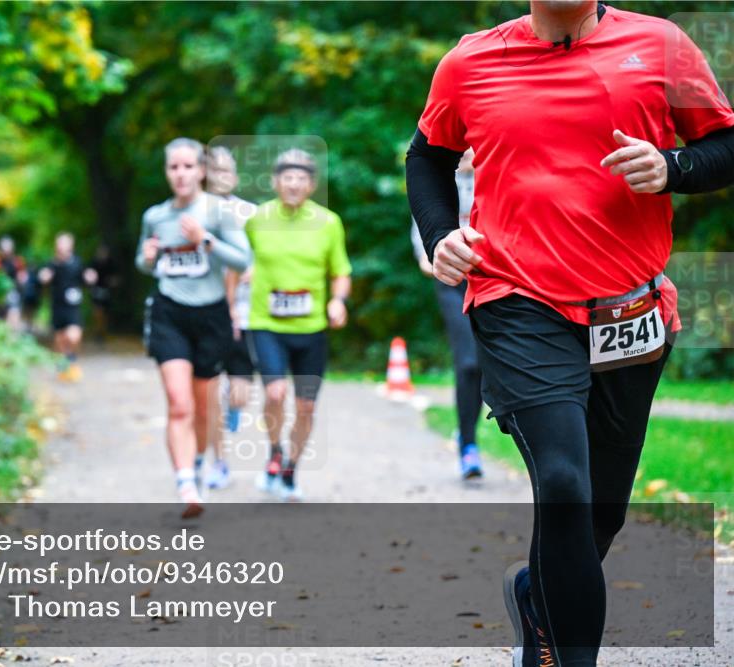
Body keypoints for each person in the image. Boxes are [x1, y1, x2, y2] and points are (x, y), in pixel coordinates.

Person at [407, 1, 734, 665]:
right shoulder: (471, 60)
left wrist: (674, 168)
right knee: (561, 481)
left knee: (598, 512)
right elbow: (427, 158)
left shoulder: (662, 46)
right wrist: (442, 235)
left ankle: (537, 595)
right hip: (515, 296)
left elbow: (724, 145)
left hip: (629, 307)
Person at [136, 138, 252, 519]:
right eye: (174, 168)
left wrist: (203, 240)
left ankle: (198, 461)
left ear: (201, 171)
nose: (181, 174)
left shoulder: (218, 211)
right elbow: (145, 261)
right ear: (167, 173)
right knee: (179, 402)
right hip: (169, 313)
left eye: (188, 167)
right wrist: (149, 258)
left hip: (211, 316)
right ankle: (186, 481)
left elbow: (242, 258)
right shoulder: (155, 216)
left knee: (203, 409)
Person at [246, 148, 352, 502]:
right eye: (287, 178)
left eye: (301, 178)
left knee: (306, 407)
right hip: (266, 323)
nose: (293, 184)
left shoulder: (328, 223)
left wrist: (338, 301)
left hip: (311, 328)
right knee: (275, 393)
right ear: (276, 182)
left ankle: (290, 468)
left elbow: (341, 273)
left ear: (311, 184)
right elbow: (237, 262)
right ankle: (275, 450)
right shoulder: (256, 219)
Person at [411, 147, 484, 479]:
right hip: (452, 280)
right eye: (464, 148)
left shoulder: (494, 177)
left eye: (475, 148)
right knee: (468, 362)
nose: (469, 155)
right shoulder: (442, 179)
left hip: (493, 279)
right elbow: (423, 221)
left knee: (487, 362)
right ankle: (468, 446)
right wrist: (429, 256)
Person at [205, 145, 259, 490]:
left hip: (245, 310)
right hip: (207, 310)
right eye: (217, 170)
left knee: (239, 391)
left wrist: (255, 269)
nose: (223, 176)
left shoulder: (251, 213)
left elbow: (266, 255)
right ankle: (219, 462)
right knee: (210, 391)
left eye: (228, 170)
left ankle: (234, 408)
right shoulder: (196, 212)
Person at [39, 233, 97, 382]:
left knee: (73, 336)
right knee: (59, 338)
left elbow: (85, 278)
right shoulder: (51, 264)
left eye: (65, 243)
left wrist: (89, 277)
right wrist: (44, 277)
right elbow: (42, 279)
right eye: (60, 243)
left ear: (71, 245)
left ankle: (70, 359)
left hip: (73, 306)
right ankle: (64, 364)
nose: (62, 247)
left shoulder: (77, 263)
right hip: (57, 305)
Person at [0, 235, 27, 331]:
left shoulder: (17, 261)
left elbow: (22, 275)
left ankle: (11, 338)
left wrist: (21, 279)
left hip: (12, 291)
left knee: (13, 314)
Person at [87, 244, 117, 347]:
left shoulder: (110, 263)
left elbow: (116, 277)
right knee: (97, 312)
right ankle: (98, 332)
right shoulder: (93, 263)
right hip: (96, 291)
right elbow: (88, 275)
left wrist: (113, 281)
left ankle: (102, 331)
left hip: (107, 291)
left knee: (105, 313)